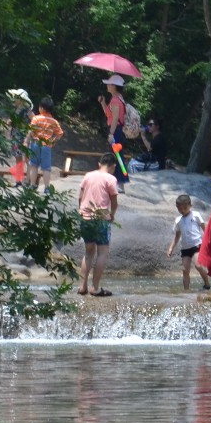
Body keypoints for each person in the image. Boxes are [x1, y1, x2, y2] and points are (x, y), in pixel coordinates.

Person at [75, 161, 119, 297]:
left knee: (88, 252)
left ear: (99, 163)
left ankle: (82, 287)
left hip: (85, 217)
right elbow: (114, 201)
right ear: (113, 166)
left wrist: (81, 212)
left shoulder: (88, 175)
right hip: (100, 219)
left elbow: (80, 197)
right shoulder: (111, 179)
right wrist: (112, 214)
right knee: (102, 252)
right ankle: (95, 287)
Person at [171, 193, 209, 292]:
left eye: (185, 208)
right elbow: (177, 236)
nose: (182, 211)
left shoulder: (195, 215)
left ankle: (207, 283)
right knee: (185, 270)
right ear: (177, 208)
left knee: (198, 265)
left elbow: (204, 228)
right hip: (185, 248)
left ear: (190, 206)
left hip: (197, 245)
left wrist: (209, 240)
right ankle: (186, 291)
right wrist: (171, 248)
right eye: (180, 209)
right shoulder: (178, 220)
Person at [25, 98, 63, 188]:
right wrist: (53, 141)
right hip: (46, 145)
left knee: (33, 165)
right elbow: (60, 134)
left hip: (35, 144)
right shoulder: (54, 121)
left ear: (41, 108)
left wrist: (27, 141)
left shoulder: (36, 118)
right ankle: (46, 188)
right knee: (46, 168)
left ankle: (32, 184)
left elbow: (31, 131)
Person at [98, 76, 130, 181]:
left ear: (114, 86)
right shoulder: (116, 99)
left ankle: (120, 181)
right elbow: (109, 115)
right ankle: (119, 181)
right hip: (116, 129)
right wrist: (103, 102)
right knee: (116, 155)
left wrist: (111, 134)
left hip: (115, 130)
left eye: (109, 84)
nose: (107, 85)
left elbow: (115, 118)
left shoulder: (116, 100)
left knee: (116, 156)